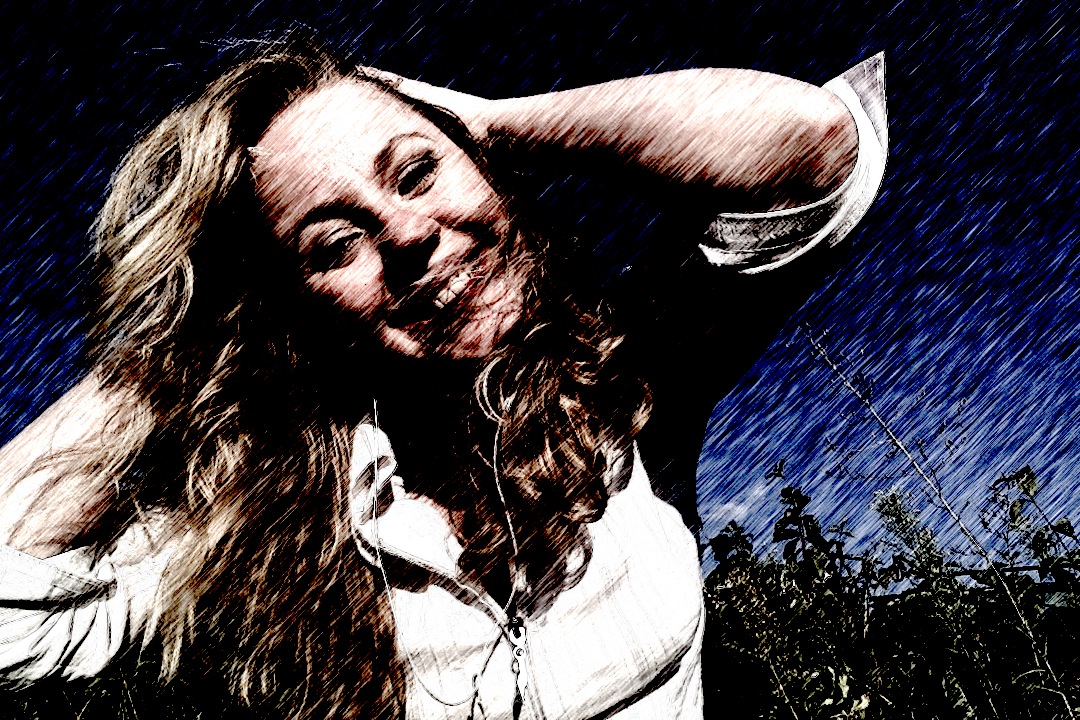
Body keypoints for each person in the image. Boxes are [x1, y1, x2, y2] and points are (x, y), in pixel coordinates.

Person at [0, 42, 887, 719]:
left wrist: (493, 122)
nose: (408, 234)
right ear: (288, 310)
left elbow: (810, 150)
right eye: (334, 244)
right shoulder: (245, 518)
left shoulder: (621, 385)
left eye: (419, 172)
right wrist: (200, 323)